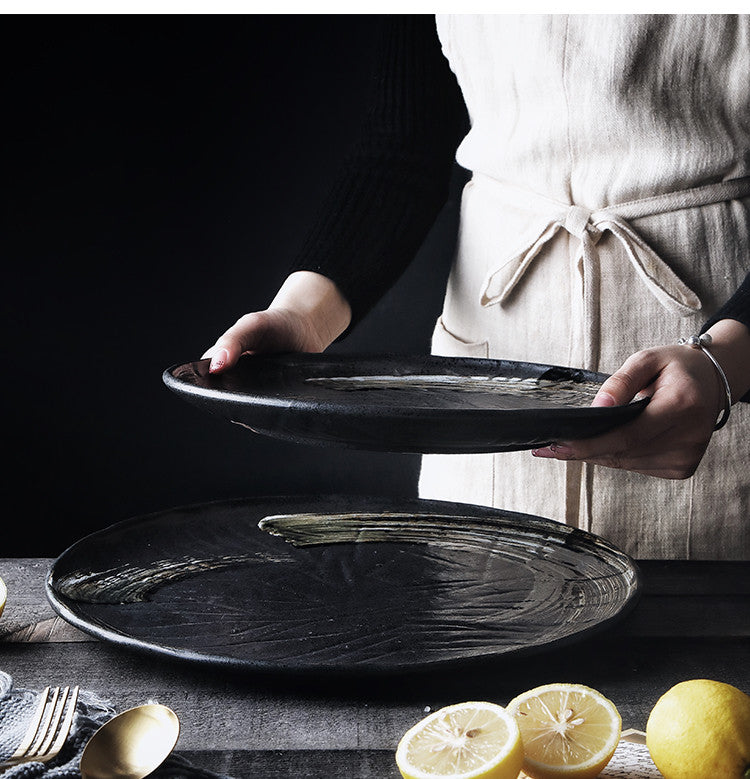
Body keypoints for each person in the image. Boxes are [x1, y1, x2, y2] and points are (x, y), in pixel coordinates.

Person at [202, 15, 750, 559]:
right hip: (500, 339)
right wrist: (302, 315)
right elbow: (400, 151)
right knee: (486, 612)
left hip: (713, 347)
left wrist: (729, 361)